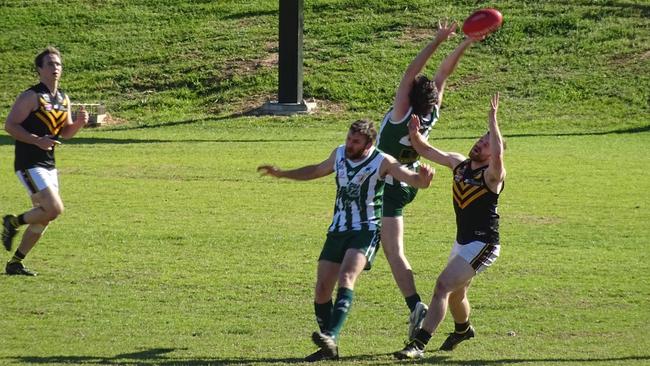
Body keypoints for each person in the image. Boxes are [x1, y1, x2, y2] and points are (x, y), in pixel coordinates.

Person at [257, 120, 434, 362]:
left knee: (347, 277)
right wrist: (282, 174)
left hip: (366, 229)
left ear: (369, 143)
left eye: (356, 142)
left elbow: (409, 178)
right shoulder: (339, 154)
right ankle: (329, 349)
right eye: (349, 139)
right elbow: (316, 170)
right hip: (338, 229)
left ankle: (330, 335)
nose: (350, 144)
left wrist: (422, 181)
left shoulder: (383, 161)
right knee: (321, 289)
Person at [375, 20, 476, 338]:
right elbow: (443, 73)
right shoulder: (431, 113)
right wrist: (465, 42)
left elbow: (411, 70)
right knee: (381, 239)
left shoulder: (402, 113)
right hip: (408, 182)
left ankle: (415, 306)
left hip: (389, 184)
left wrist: (437, 40)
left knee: (393, 250)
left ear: (408, 96)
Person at [394, 92, 505, 359]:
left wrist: (493, 121)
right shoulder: (460, 164)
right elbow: (427, 150)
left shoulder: (492, 175)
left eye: (485, 143)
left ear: (493, 154)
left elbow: (500, 155)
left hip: (484, 243)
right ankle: (463, 329)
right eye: (479, 140)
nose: (479, 144)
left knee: (443, 285)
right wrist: (414, 132)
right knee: (456, 296)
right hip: (463, 241)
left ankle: (418, 344)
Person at [2, 46, 88, 276]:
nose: (55, 68)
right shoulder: (30, 96)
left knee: (45, 216)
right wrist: (36, 140)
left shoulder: (63, 98)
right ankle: (13, 222)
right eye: (50, 64)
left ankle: (15, 263)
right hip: (29, 163)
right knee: (54, 208)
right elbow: (10, 126)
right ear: (39, 70)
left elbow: (65, 133)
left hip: (49, 163)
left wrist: (79, 123)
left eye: (58, 64)